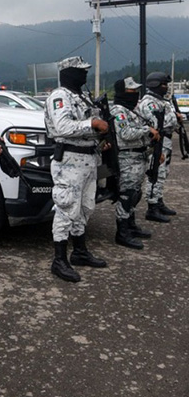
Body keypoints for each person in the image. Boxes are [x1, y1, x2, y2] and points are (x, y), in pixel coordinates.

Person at [44, 56, 109, 283]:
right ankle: (59, 260)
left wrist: (100, 138)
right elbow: (62, 126)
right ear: (68, 73)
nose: (85, 75)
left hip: (89, 159)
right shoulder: (60, 96)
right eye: (80, 71)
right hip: (69, 160)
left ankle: (79, 251)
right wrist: (91, 124)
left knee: (85, 207)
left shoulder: (82, 97)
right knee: (66, 208)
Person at [110, 77, 160, 249]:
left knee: (135, 194)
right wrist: (147, 130)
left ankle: (130, 225)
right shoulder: (118, 111)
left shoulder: (132, 110)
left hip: (139, 157)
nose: (135, 94)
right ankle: (122, 232)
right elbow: (126, 133)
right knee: (127, 194)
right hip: (127, 159)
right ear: (123, 92)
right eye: (132, 91)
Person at [138, 71, 181, 222]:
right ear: (154, 85)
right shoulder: (148, 102)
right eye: (164, 84)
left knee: (163, 174)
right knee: (155, 173)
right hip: (156, 142)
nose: (166, 87)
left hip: (166, 141)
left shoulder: (163, 101)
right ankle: (152, 207)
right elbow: (157, 123)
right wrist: (175, 117)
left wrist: (175, 118)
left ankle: (158, 200)